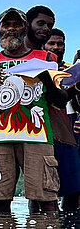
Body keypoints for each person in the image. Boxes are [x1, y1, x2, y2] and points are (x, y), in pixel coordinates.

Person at [0, 7, 66, 213]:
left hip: (37, 137)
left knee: (47, 201)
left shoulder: (47, 58)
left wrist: (46, 79)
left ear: (25, 28)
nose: (11, 29)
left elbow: (61, 100)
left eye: (17, 25)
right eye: (7, 25)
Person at [43, 28, 80, 211]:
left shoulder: (69, 69)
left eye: (60, 43)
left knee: (73, 188)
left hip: (69, 128)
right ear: (44, 45)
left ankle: (70, 222)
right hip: (41, 130)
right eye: (52, 43)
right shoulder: (37, 67)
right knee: (41, 188)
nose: (57, 47)